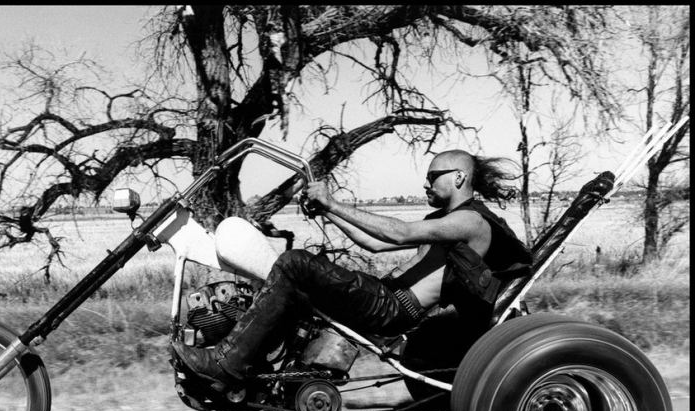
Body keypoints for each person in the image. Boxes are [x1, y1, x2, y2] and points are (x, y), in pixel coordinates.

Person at [172, 150, 532, 394]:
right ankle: (253, 373)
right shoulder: (442, 221)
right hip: (385, 295)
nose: (425, 184)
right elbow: (374, 243)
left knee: (295, 263)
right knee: (296, 288)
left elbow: (398, 232)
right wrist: (328, 210)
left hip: (395, 307)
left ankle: (225, 367)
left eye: (432, 177)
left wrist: (333, 202)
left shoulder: (470, 221)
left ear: (459, 177)